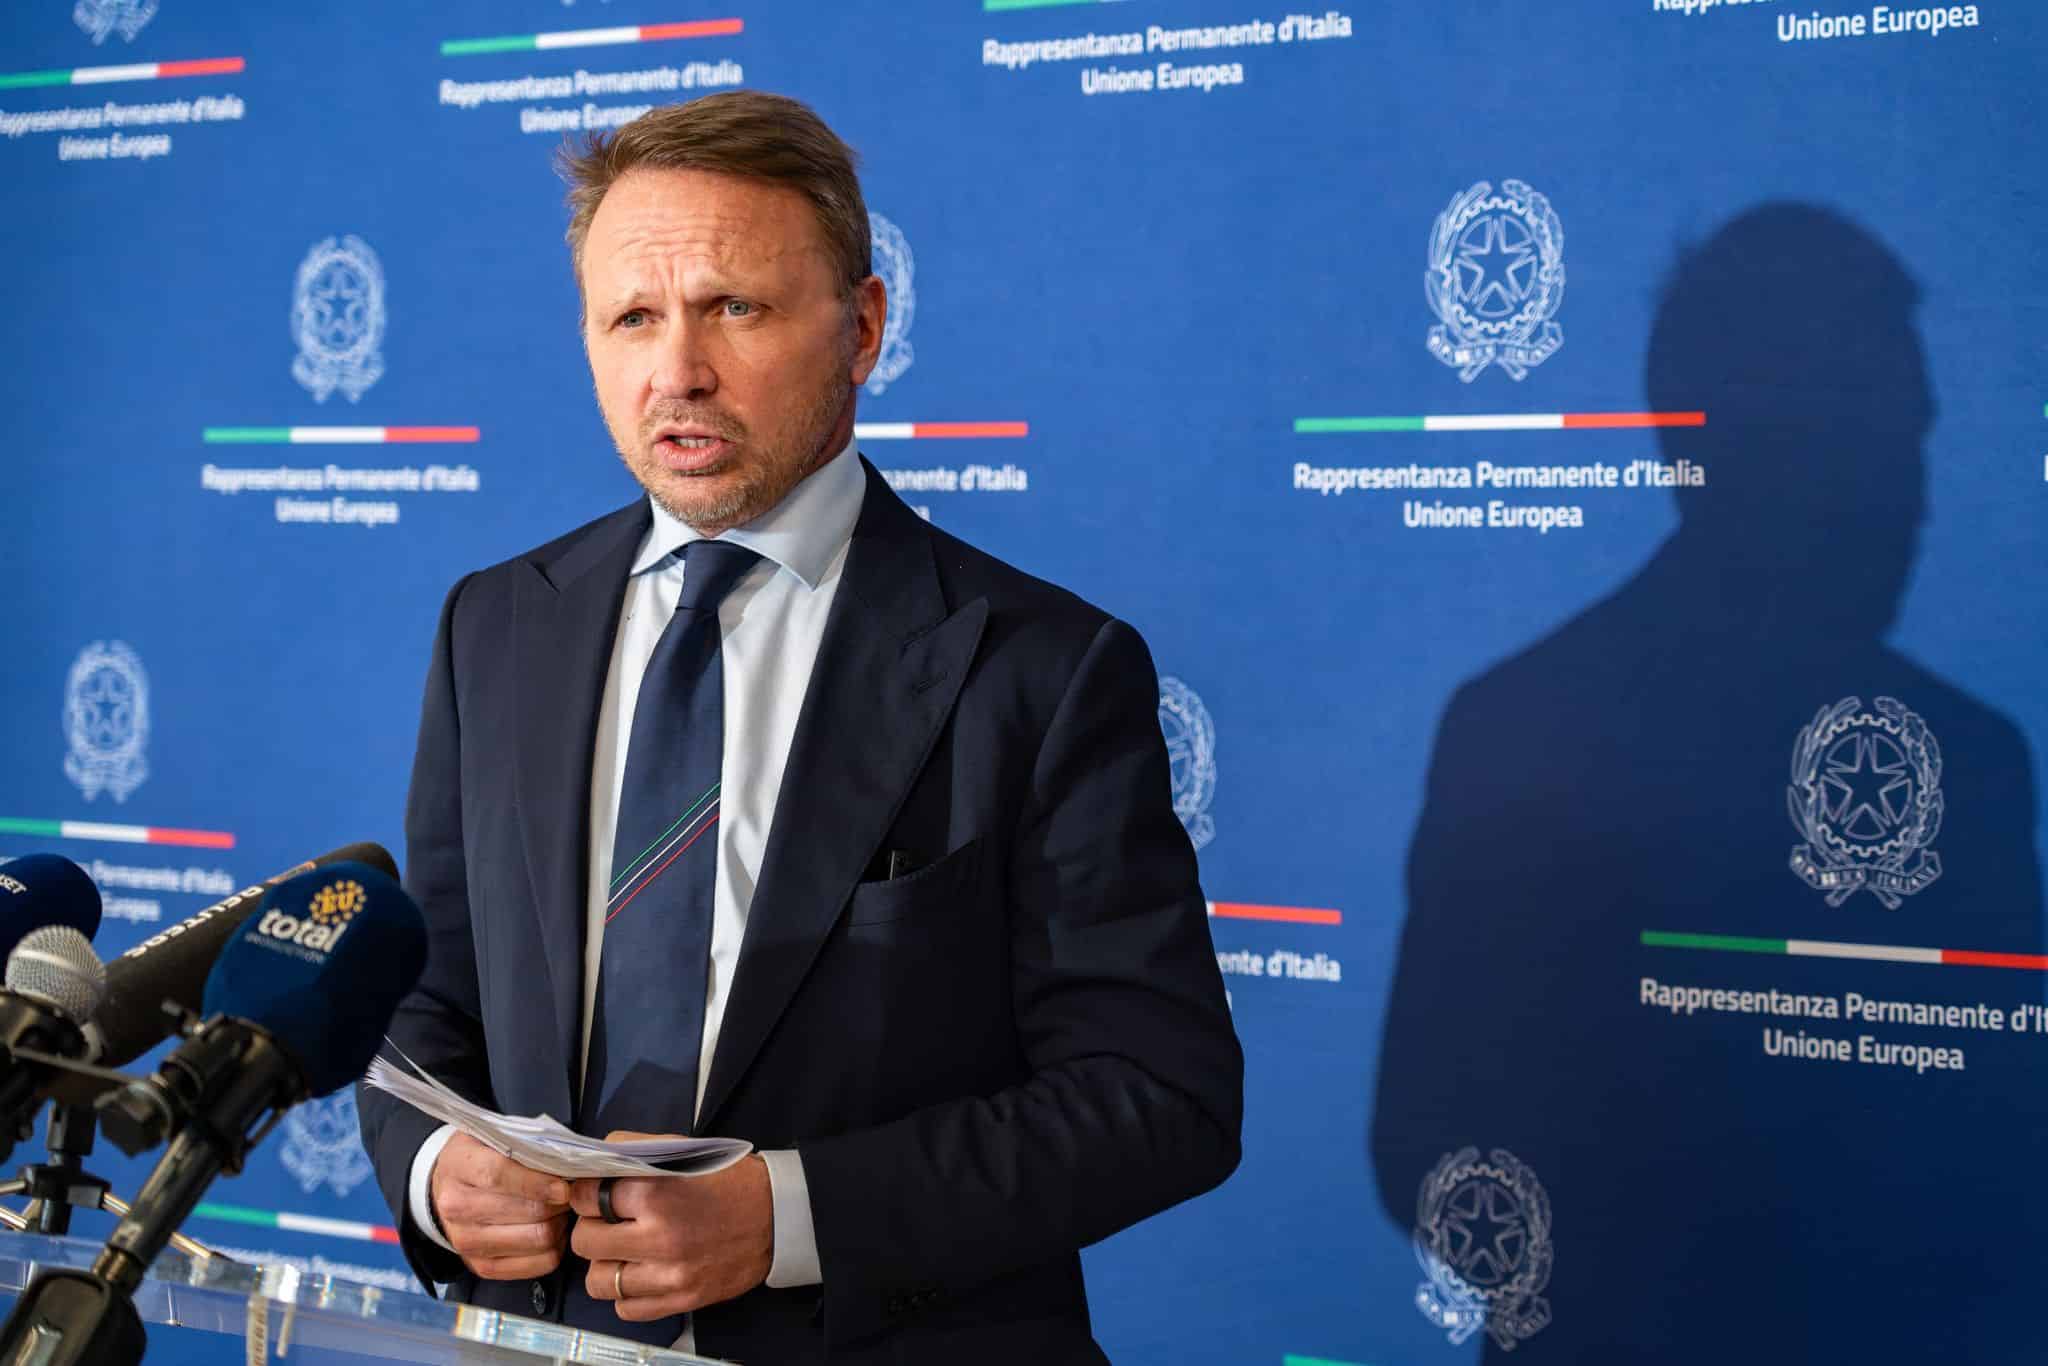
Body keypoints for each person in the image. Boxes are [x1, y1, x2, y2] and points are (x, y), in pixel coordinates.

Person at [356, 90, 1243, 1365]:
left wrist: (786, 1217)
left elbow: (1157, 1096)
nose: (677, 371)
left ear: (863, 327)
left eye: (734, 308)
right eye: (632, 317)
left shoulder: (1041, 667)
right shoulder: (496, 625)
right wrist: (438, 1170)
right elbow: (425, 991)